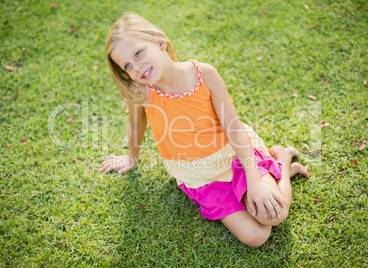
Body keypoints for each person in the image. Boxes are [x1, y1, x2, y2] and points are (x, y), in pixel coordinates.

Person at [99, 12, 309, 247]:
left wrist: (255, 181)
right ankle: (277, 170)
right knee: (256, 236)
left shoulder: (203, 74)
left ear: (160, 42)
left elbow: (234, 128)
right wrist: (131, 158)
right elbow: (137, 124)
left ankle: (280, 159)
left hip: (234, 157)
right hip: (199, 175)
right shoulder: (140, 92)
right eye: (127, 65)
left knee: (275, 215)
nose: (136, 66)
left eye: (138, 52)